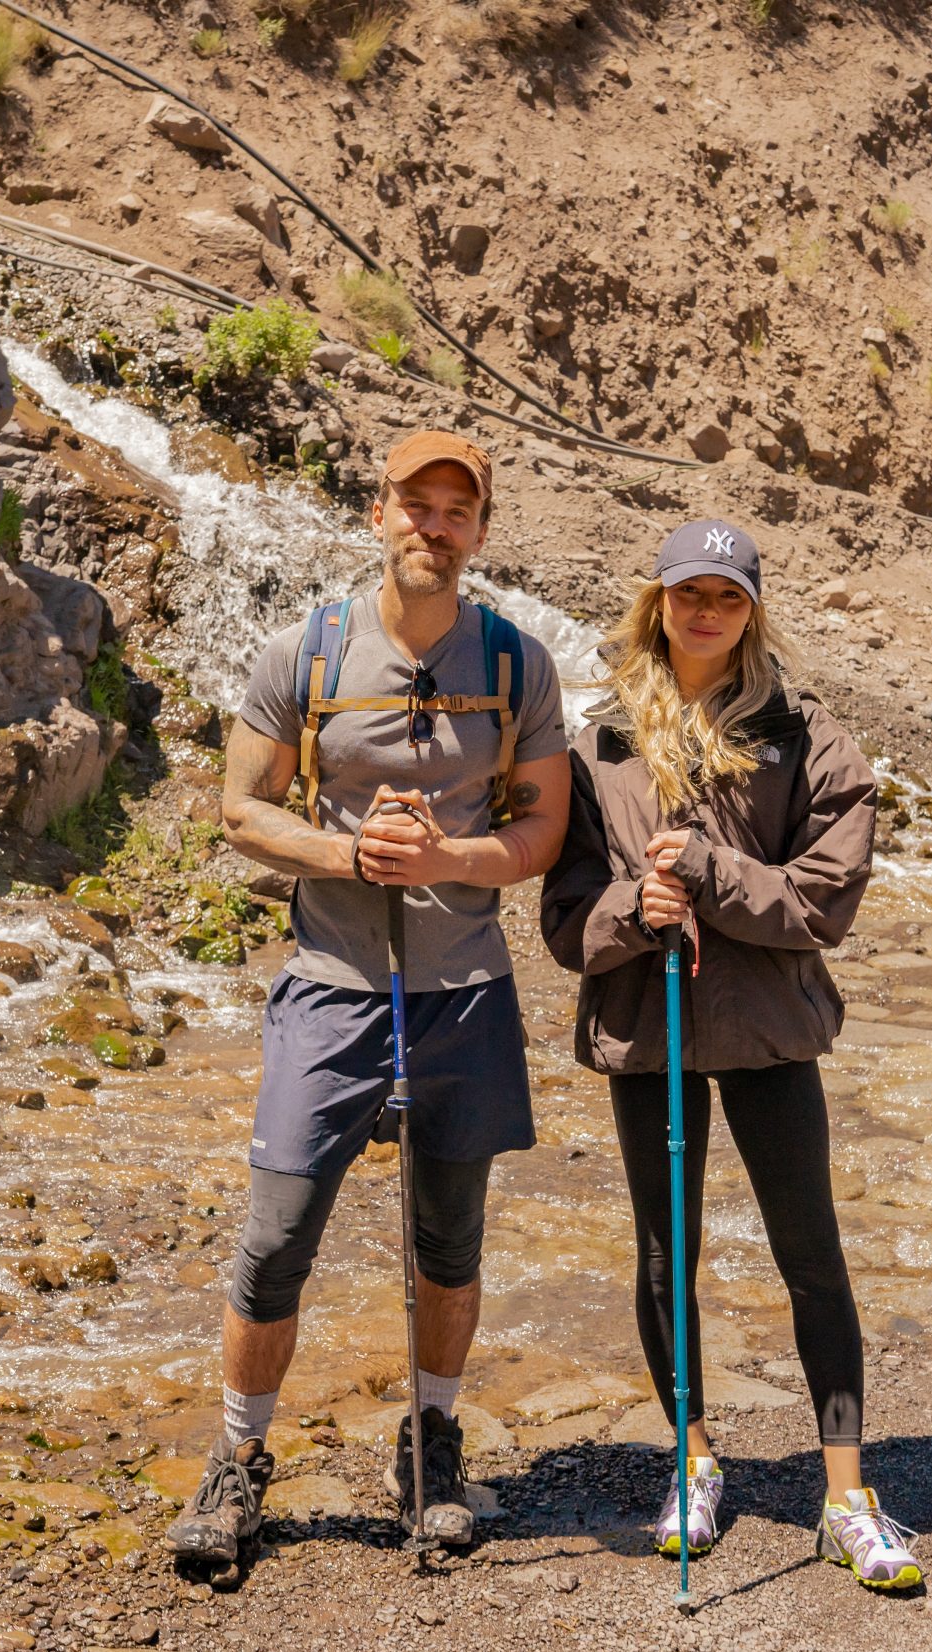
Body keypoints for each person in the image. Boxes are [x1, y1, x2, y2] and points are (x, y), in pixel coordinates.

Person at [166, 430, 571, 1572]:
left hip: (466, 994)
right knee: (274, 1239)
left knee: (449, 1244)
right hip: (331, 989)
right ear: (377, 513)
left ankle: (433, 1445)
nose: (432, 526)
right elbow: (242, 812)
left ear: (480, 531)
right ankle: (239, 1460)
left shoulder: (519, 665)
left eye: (457, 510)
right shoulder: (304, 651)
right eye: (414, 504)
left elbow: (540, 832)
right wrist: (352, 860)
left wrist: (448, 857)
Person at [540, 518, 922, 1592]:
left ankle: (846, 1494)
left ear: (752, 610)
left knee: (811, 1253)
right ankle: (692, 1461)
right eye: (687, 593)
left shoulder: (804, 734)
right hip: (646, 1026)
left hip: (767, 1030)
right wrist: (636, 907)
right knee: (665, 1258)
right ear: (655, 603)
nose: (706, 611)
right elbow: (566, 921)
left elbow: (824, 901)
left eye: (728, 596)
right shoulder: (598, 743)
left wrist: (709, 869)